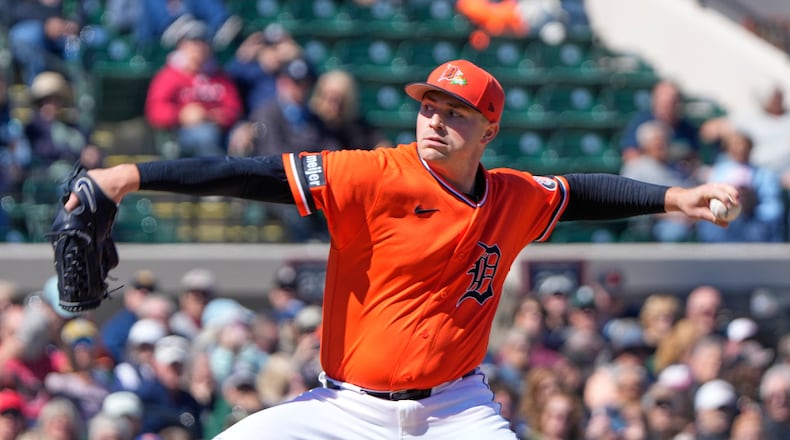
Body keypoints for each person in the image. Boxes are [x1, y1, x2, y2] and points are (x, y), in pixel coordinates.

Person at [60, 59, 740, 439]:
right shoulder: (374, 174)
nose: (436, 121)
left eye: (456, 114)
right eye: (429, 108)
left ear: (487, 132)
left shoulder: (512, 195)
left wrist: (673, 197)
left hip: (456, 411)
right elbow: (254, 176)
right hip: (343, 410)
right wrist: (133, 175)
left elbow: (581, 191)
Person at [144, 20, 243, 158]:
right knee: (204, 135)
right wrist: (181, 115)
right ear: (181, 45)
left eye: (203, 42)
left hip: (220, 129)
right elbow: (155, 110)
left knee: (244, 135)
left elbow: (234, 109)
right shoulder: (168, 75)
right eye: (193, 42)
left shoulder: (220, 76)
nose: (199, 48)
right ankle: (220, 175)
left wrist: (214, 116)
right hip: (182, 132)